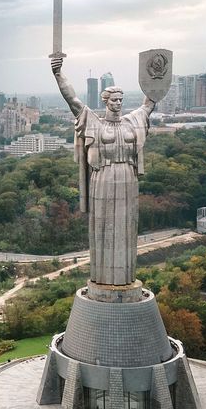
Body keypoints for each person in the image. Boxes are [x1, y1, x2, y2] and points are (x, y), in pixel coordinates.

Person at [51, 57, 155, 286]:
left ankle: (125, 277)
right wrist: (58, 74)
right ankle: (102, 278)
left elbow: (149, 104)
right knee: (103, 225)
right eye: (114, 100)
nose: (118, 103)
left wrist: (156, 79)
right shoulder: (95, 124)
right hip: (103, 177)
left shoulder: (132, 122)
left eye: (120, 99)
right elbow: (73, 101)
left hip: (128, 177)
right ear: (106, 101)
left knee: (127, 225)